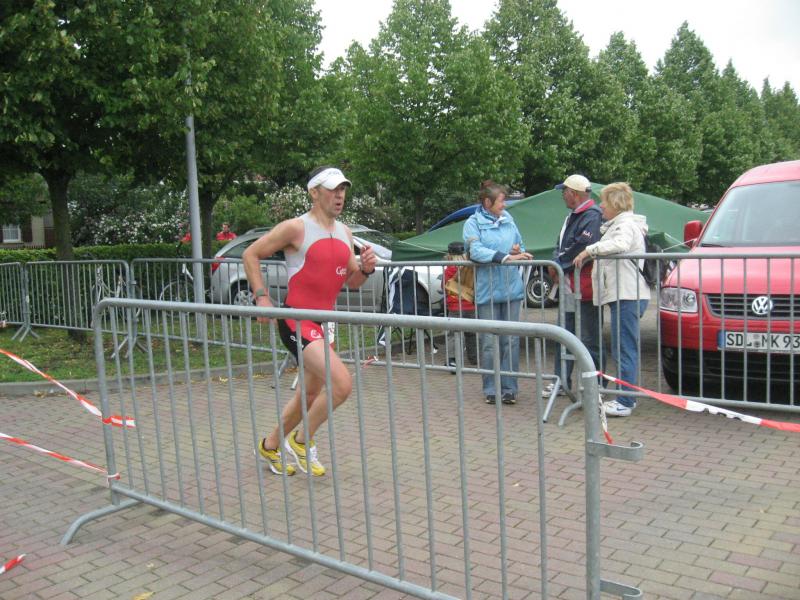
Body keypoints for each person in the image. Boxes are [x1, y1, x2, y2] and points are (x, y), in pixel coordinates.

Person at [242, 166, 377, 475]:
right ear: (314, 193)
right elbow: (251, 254)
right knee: (341, 384)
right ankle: (302, 441)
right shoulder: (295, 227)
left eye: (343, 189)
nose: (339, 195)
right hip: (297, 320)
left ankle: (270, 445)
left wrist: (366, 269)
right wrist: (261, 296)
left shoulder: (345, 233)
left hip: (325, 322)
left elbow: (352, 282)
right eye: (332, 189)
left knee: (311, 395)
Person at [574, 182, 649, 417]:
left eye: (604, 201)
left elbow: (620, 244)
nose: (601, 206)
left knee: (624, 348)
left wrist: (589, 250)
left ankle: (625, 400)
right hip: (623, 294)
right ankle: (626, 398)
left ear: (616, 204)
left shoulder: (624, 226)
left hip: (627, 295)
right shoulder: (620, 225)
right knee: (622, 347)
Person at [463, 181, 532, 405]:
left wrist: (517, 250)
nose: (505, 205)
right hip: (488, 290)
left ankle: (510, 388)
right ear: (487, 202)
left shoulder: (509, 220)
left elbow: (520, 245)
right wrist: (505, 256)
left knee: (511, 340)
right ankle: (491, 388)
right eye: (502, 201)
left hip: (512, 289)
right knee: (490, 342)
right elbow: (475, 251)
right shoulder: (472, 223)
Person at [544, 174, 603, 397]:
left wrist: (558, 264)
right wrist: (555, 263)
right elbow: (560, 244)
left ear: (574, 194)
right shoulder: (574, 216)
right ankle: (562, 381)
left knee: (590, 339)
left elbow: (583, 245)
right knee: (564, 335)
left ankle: (596, 385)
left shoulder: (592, 216)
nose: (562, 195)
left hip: (585, 288)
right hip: (570, 286)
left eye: (564, 191)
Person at [442, 241, 477, 368]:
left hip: (455, 307)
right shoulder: (471, 268)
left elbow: (444, 287)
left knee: (453, 334)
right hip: (470, 306)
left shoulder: (448, 270)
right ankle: (474, 358)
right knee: (471, 334)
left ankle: (453, 360)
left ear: (449, 255)